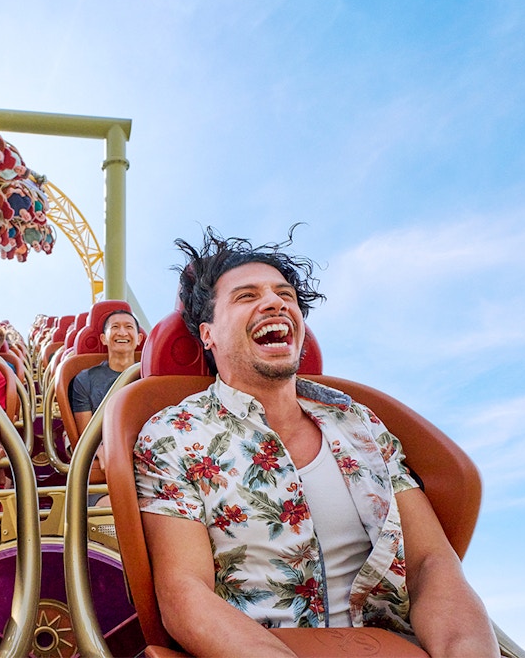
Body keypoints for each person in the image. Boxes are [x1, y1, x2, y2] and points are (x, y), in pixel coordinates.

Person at [133, 227, 498, 657]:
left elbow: (430, 564)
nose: (274, 302)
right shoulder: (173, 433)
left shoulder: (358, 422)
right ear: (207, 334)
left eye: (284, 294)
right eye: (246, 296)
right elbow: (184, 593)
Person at [69, 309, 143, 436]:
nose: (122, 333)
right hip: (106, 446)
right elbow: (87, 438)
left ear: (139, 339)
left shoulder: (149, 375)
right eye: (115, 327)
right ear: (103, 339)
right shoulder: (85, 379)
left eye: (129, 327)